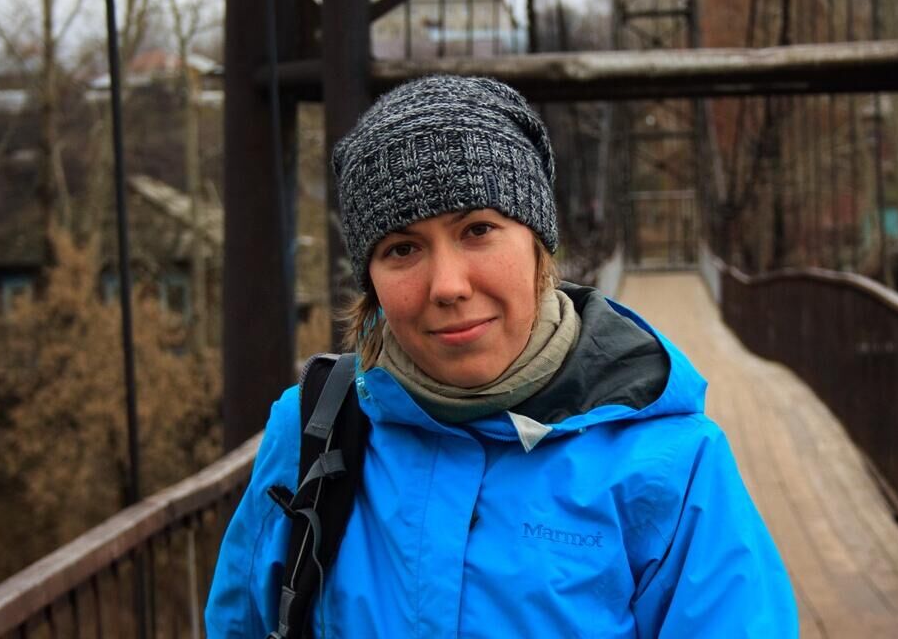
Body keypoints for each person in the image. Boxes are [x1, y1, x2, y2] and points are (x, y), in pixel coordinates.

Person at [205, 75, 798, 638]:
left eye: (478, 230)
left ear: (539, 243)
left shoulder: (675, 466)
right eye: (402, 248)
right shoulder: (312, 431)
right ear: (372, 281)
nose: (448, 285)